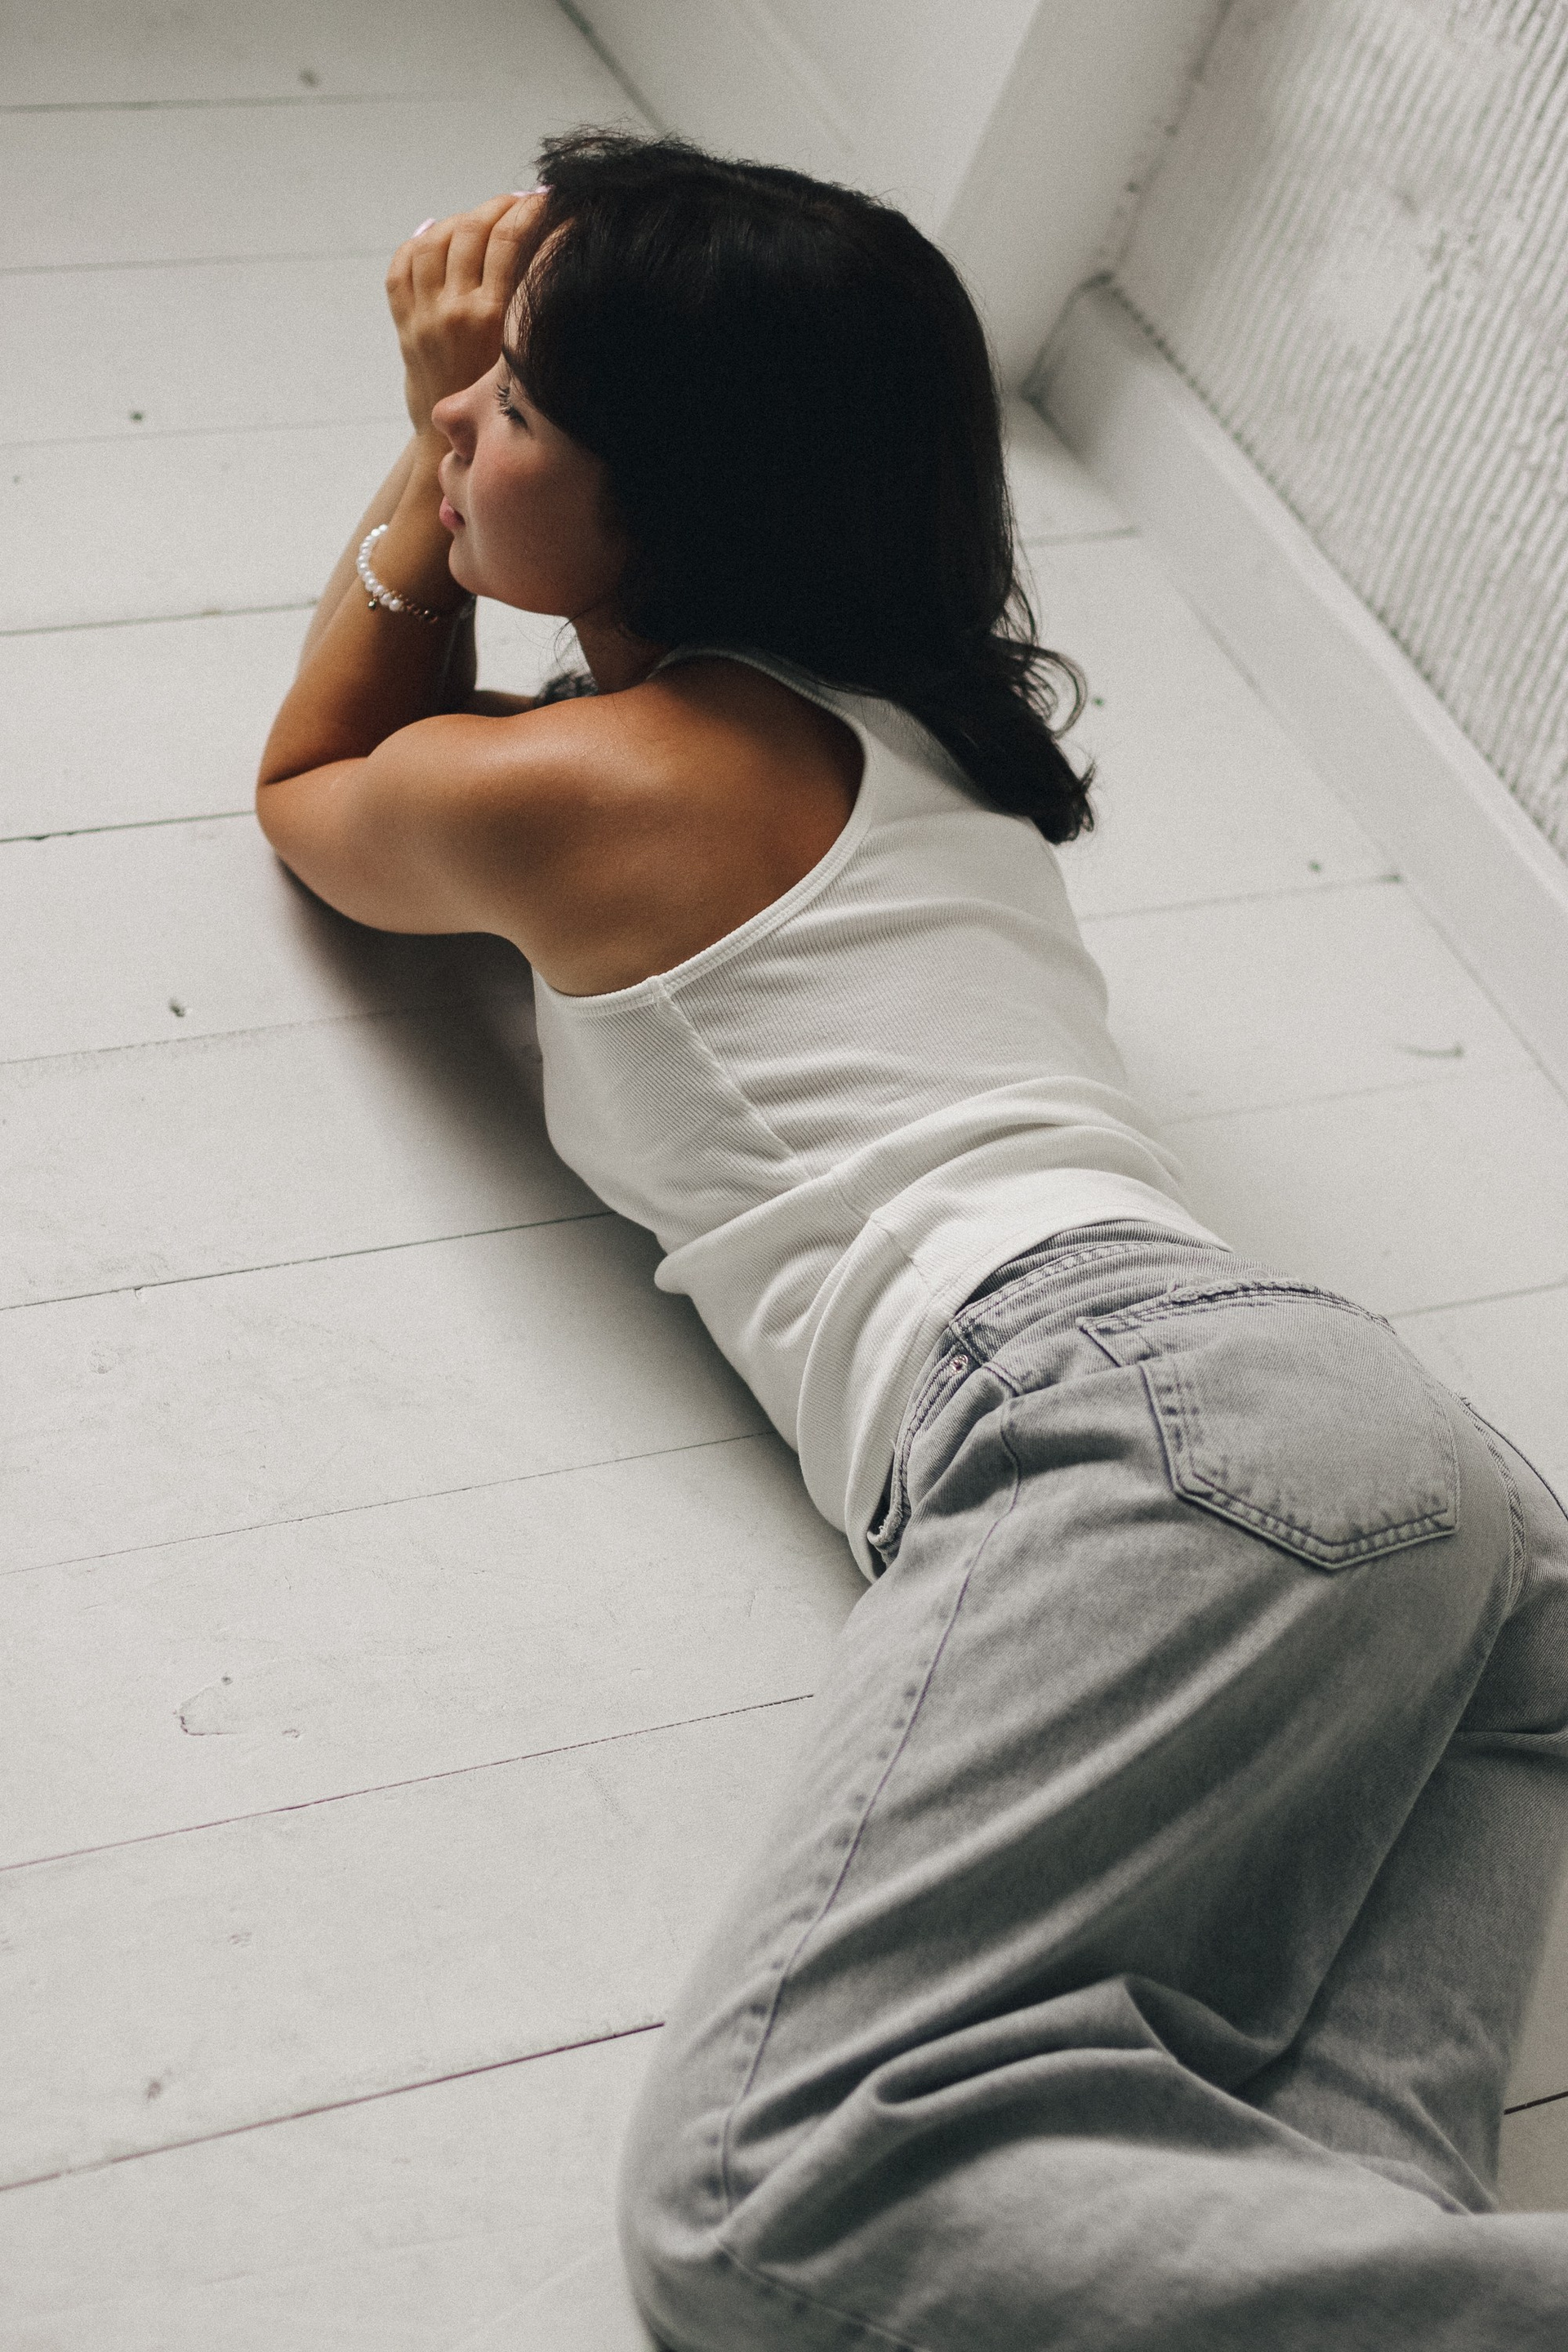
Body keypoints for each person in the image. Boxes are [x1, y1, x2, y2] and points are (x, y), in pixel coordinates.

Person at [256, 130, 1568, 2352]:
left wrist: (415, 470)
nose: (464, 412)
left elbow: (314, 792)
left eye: (517, 402)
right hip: (1427, 1497)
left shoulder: (615, 783)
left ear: (690, 493)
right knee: (1293, 2238)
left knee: (766, 2207)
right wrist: (494, 433)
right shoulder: (925, 749)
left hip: (1132, 1425)